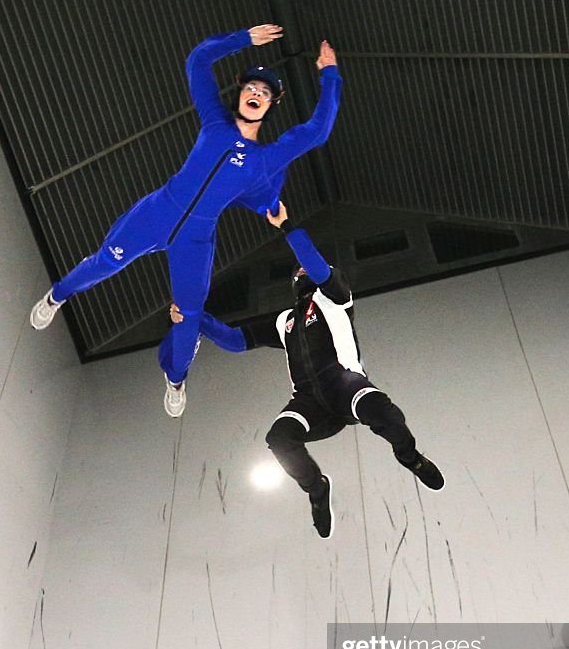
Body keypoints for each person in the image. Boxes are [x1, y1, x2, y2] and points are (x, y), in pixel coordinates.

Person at [29, 25, 342, 418]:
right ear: (240, 92)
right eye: (251, 88)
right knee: (107, 261)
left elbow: (318, 130)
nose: (256, 94)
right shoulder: (214, 123)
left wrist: (329, 74)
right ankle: (57, 295)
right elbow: (197, 60)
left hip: (196, 239)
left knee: (189, 313)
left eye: (265, 92)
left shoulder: (267, 158)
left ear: (273, 102)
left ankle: (175, 378)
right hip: (158, 212)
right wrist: (242, 38)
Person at [169, 203, 445, 538]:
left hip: (346, 385)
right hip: (308, 403)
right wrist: (195, 319)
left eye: (309, 268)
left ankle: (410, 457)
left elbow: (314, 262)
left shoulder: (335, 299)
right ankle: (317, 490)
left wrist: (287, 226)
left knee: (384, 413)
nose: (303, 269)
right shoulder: (285, 321)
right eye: (298, 269)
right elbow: (235, 340)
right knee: (278, 439)